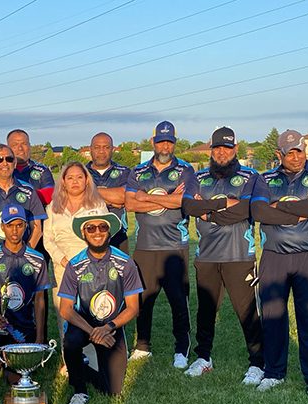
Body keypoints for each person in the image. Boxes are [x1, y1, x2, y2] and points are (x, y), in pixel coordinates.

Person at [250, 129, 308, 397]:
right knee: (273, 316)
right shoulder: (265, 179)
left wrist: (279, 208)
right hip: (273, 256)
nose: (295, 157)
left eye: (299, 150)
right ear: (279, 154)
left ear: (305, 148)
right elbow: (258, 211)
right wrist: (297, 211)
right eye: (289, 152)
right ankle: (274, 372)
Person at [180, 126, 264, 384]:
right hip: (206, 255)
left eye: (227, 148)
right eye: (217, 148)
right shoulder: (199, 176)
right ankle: (203, 357)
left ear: (235, 149)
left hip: (239, 255)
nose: (222, 153)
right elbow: (188, 205)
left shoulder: (251, 176)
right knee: (205, 310)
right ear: (211, 149)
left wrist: (207, 212)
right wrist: (221, 204)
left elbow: (247, 210)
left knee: (247, 311)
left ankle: (258, 362)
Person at [125, 121, 194, 368]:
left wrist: (146, 197)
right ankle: (142, 346)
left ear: (174, 143)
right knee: (143, 299)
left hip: (175, 245)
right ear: (153, 142)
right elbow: (131, 204)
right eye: (161, 141)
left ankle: (181, 350)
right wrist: (168, 199)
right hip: (145, 246)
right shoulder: (139, 171)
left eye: (169, 141)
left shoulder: (185, 170)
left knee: (178, 300)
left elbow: (184, 202)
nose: (165, 146)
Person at [57, 212, 143, 404]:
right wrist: (93, 331)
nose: (97, 232)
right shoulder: (74, 265)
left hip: (112, 326)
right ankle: (79, 390)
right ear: (84, 233)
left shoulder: (126, 263)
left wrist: (108, 327)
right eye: (91, 228)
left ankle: (82, 367)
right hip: (83, 322)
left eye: (102, 227)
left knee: (112, 391)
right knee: (71, 342)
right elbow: (66, 309)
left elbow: (133, 308)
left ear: (110, 232)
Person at [0, 204, 50, 404]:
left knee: (15, 378)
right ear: (2, 226)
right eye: (10, 225)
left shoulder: (37, 259)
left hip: (23, 327)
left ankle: (8, 366)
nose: (14, 231)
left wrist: (40, 338)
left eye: (19, 225)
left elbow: (40, 299)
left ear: (26, 226)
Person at [44, 162, 109, 342]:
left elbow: (104, 233)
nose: (75, 182)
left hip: (91, 265)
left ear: (87, 181)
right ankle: (70, 359)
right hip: (63, 267)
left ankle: (94, 354)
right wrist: (63, 260)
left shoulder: (97, 205)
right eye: (70, 178)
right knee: (65, 313)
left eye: (79, 177)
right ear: (63, 182)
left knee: (92, 310)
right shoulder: (53, 208)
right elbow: (47, 239)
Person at [86, 132, 131, 252]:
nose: (101, 151)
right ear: (90, 149)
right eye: (97, 147)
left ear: (113, 149)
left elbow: (124, 197)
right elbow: (76, 199)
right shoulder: (81, 173)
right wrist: (113, 201)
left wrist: (91, 193)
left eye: (106, 147)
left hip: (118, 235)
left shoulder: (124, 172)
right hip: (87, 236)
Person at [7, 129, 55, 206]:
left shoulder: (42, 170)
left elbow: (50, 193)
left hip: (37, 216)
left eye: (24, 144)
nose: (20, 148)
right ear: (8, 148)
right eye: (15, 145)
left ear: (29, 146)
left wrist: (20, 198)